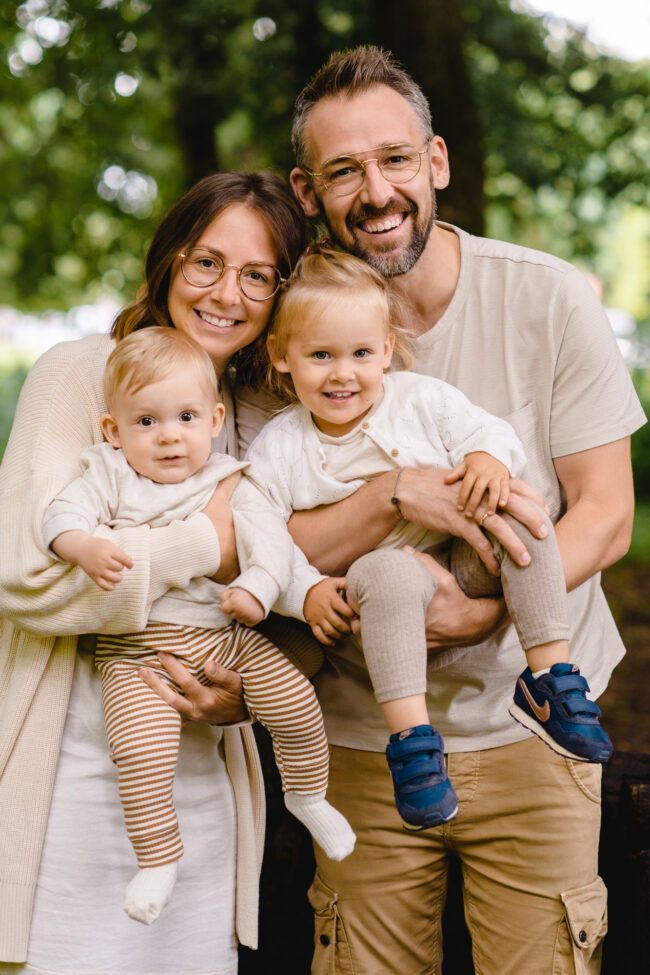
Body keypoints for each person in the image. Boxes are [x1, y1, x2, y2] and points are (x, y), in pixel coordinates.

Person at [271, 46, 645, 975]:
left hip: (538, 738)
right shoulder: (288, 332)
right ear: (307, 191)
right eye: (344, 171)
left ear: (435, 161)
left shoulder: (546, 297)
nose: (377, 191)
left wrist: (481, 614)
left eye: (396, 159)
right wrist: (389, 495)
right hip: (364, 741)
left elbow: (605, 513)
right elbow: (263, 535)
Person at [0, 171, 311, 974]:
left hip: (201, 783)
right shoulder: (80, 372)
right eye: (207, 262)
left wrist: (239, 695)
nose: (227, 293)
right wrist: (204, 542)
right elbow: (22, 576)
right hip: (73, 777)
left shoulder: (256, 412)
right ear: (169, 258)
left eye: (257, 275)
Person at [246, 248, 613, 830]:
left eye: (361, 353)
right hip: (384, 585)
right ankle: (413, 741)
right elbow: (261, 534)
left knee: (522, 510)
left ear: (387, 349)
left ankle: (549, 678)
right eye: (320, 355)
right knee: (388, 572)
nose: (343, 374)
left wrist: (488, 458)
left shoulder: (421, 399)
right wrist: (305, 592)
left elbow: (486, 431)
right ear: (281, 356)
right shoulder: (282, 445)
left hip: (466, 557)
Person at [42, 326, 354, 924]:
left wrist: (259, 588)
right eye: (146, 422)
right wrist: (82, 545)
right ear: (114, 431)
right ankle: (158, 859)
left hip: (224, 638)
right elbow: (61, 514)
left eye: (185, 418)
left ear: (214, 421)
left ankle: (308, 795)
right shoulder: (108, 474)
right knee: (141, 750)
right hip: (136, 654)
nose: (168, 436)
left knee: (294, 701)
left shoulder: (228, 479)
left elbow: (273, 546)